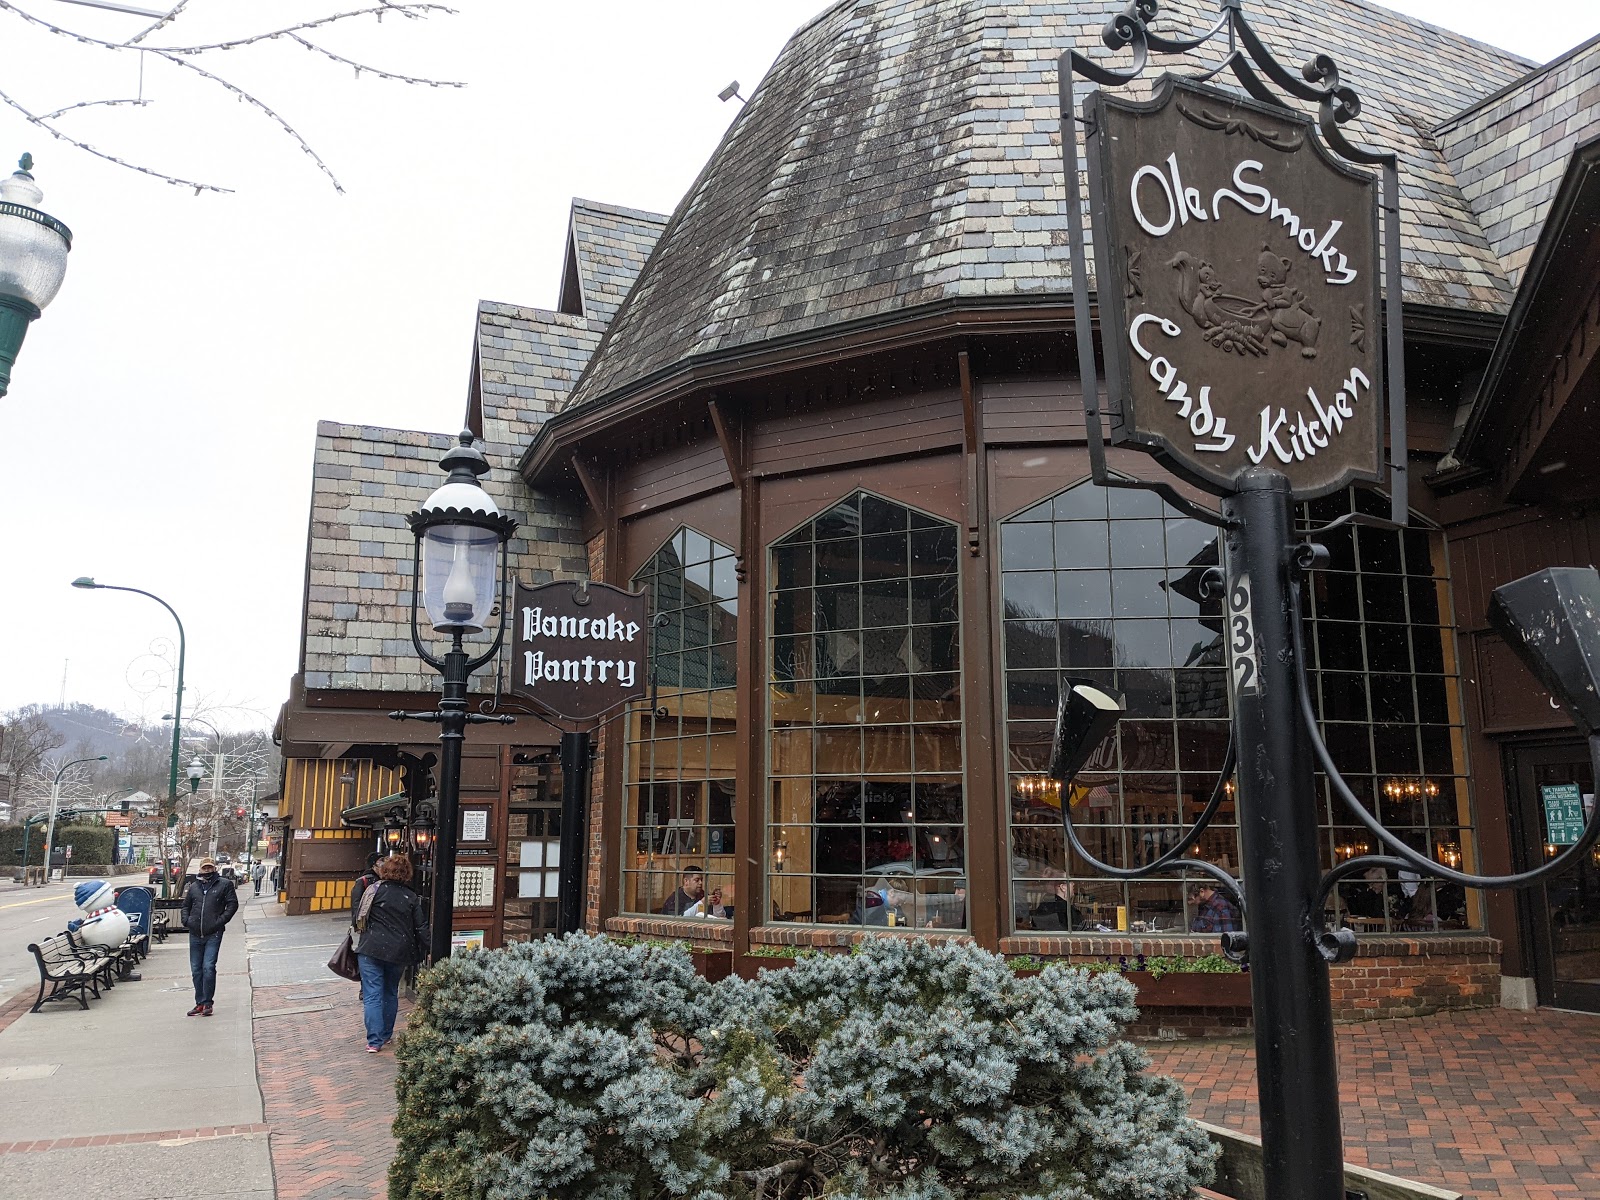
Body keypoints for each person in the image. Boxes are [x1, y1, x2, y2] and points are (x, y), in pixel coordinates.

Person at [353, 853, 429, 1053]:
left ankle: (374, 1041)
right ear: (407, 874)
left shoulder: (373, 890)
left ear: (384, 870)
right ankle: (386, 1034)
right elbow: (421, 927)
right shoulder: (411, 897)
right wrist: (430, 947)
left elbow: (358, 918)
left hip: (370, 948)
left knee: (372, 995)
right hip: (398, 951)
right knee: (390, 992)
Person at [181, 857, 239, 1016]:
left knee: (208, 967)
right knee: (196, 969)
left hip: (213, 933)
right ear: (200, 869)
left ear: (214, 868)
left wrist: (220, 921)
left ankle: (207, 1002)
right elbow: (186, 906)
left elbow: (232, 904)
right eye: (204, 868)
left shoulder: (224, 884)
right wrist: (187, 921)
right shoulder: (194, 887)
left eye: (210, 867)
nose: (207, 870)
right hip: (195, 933)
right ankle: (199, 1002)